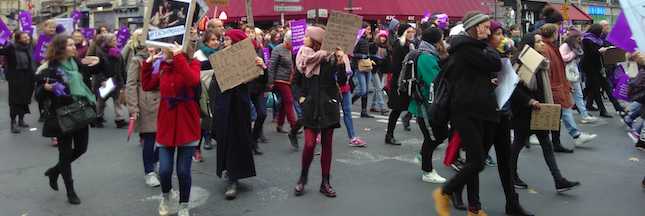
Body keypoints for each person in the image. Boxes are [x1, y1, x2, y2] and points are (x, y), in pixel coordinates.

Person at [432, 11, 500, 216]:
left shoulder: (472, 49)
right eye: (485, 27)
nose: (489, 32)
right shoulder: (467, 49)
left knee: (473, 160)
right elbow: (494, 63)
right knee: (477, 161)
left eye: (489, 28)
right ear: (474, 27)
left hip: (477, 109)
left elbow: (475, 74)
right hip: (465, 111)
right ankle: (445, 192)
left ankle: (474, 208)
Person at [510, 32, 581, 194]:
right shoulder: (523, 62)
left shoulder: (540, 62)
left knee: (546, 145)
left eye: (542, 41)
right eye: (538, 42)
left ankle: (559, 180)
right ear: (530, 45)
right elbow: (515, 88)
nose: (542, 44)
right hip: (525, 111)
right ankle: (511, 174)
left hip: (540, 109)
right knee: (518, 144)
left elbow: (543, 86)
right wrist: (530, 101)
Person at [38, 35, 100, 205]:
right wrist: (46, 87)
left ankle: (54, 171)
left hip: (81, 111)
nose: (75, 47)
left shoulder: (76, 64)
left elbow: (98, 72)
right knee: (65, 154)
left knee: (81, 148)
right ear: (61, 49)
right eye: (70, 45)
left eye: (74, 44)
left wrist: (99, 61)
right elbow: (38, 93)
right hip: (62, 114)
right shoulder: (50, 68)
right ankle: (70, 191)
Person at [141, 41, 200, 216]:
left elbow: (193, 80)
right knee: (165, 170)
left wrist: (179, 58)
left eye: (167, 50)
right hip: (166, 124)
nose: (163, 53)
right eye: (164, 50)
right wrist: (148, 64)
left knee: (183, 171)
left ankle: (183, 204)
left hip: (187, 124)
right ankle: (166, 197)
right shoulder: (162, 67)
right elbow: (147, 85)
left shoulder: (192, 63)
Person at [293, 26, 346, 197]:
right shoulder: (302, 56)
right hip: (310, 105)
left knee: (327, 144)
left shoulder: (331, 57)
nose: (304, 38)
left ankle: (325, 182)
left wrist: (341, 63)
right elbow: (296, 81)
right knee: (309, 144)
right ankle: (303, 177)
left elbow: (343, 81)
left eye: (307, 36)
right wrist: (301, 98)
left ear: (315, 40)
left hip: (328, 105)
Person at [209, 29, 261, 200]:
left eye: (229, 40)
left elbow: (258, 84)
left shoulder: (248, 59)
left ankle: (234, 178)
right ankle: (230, 172)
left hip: (240, 107)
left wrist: (261, 68)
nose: (225, 42)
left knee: (237, 141)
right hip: (224, 106)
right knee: (226, 140)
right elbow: (215, 85)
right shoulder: (220, 57)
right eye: (225, 39)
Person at [539, 24, 597, 152]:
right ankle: (573, 136)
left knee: (560, 114)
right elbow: (548, 71)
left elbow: (556, 68)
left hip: (558, 85)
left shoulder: (550, 47)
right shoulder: (547, 48)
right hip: (555, 87)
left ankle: (560, 141)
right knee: (562, 112)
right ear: (554, 34)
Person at [408, 27, 446, 184]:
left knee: (436, 136)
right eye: (441, 38)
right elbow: (434, 81)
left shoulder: (426, 53)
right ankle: (427, 170)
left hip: (425, 104)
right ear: (436, 41)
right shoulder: (426, 57)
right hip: (425, 105)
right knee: (433, 137)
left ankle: (423, 157)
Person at [125, 31, 161, 188]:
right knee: (149, 139)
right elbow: (131, 84)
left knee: (164, 139)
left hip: (164, 101)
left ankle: (155, 161)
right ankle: (149, 172)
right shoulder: (137, 60)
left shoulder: (165, 56)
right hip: (146, 103)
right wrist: (133, 107)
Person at [582, 23, 625, 118]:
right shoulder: (587, 39)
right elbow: (591, 53)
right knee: (596, 89)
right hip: (590, 67)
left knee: (604, 87)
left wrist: (607, 49)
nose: (602, 33)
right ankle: (603, 110)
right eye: (601, 31)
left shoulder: (597, 39)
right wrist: (600, 51)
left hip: (599, 66)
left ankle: (618, 107)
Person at [268, 30, 301, 149]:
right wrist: (271, 82)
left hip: (289, 79)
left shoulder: (293, 50)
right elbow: (271, 66)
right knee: (289, 100)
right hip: (280, 79)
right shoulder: (278, 49)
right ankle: (294, 126)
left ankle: (280, 124)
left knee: (283, 103)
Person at [385, 22, 416, 145]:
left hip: (405, 81)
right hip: (399, 82)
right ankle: (389, 135)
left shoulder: (410, 45)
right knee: (396, 109)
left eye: (412, 32)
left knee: (403, 108)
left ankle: (390, 134)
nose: (411, 34)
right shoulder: (400, 45)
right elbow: (395, 66)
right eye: (408, 32)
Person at [88, 33, 128, 128]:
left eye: (116, 40)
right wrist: (102, 79)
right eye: (113, 40)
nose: (116, 42)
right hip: (105, 81)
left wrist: (124, 80)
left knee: (117, 101)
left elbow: (122, 67)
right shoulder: (100, 52)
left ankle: (120, 119)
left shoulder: (118, 52)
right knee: (101, 101)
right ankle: (98, 117)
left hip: (117, 80)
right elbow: (98, 68)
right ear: (108, 41)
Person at [559, 30, 598, 124]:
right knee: (569, 95)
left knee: (578, 95)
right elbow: (562, 58)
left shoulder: (575, 46)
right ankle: (582, 115)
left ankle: (584, 115)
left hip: (573, 72)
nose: (580, 39)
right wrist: (573, 54)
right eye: (578, 37)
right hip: (568, 73)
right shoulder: (566, 46)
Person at [0, 31, 36, 134]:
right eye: (24, 37)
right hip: (15, 77)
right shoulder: (11, 47)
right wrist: (2, 40)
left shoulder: (29, 47)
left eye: (28, 37)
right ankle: (13, 122)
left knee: (25, 99)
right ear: (18, 39)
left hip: (28, 77)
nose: (27, 39)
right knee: (15, 100)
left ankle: (21, 119)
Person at [351, 23, 376, 118]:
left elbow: (369, 52)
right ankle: (351, 100)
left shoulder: (367, 40)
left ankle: (364, 111)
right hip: (359, 67)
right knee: (363, 90)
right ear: (362, 30)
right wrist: (362, 56)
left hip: (367, 65)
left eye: (370, 29)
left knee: (365, 91)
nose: (369, 31)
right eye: (368, 29)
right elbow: (353, 53)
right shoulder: (358, 40)